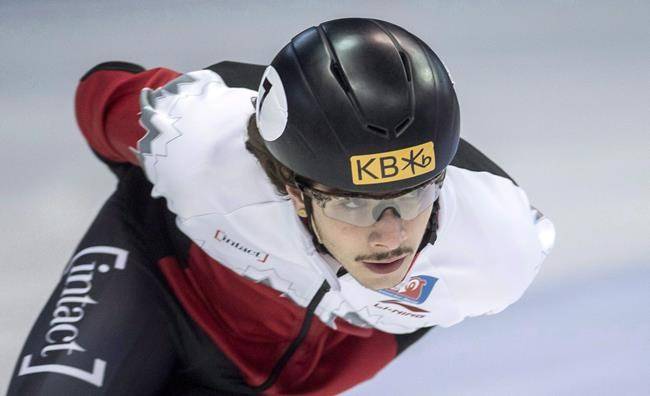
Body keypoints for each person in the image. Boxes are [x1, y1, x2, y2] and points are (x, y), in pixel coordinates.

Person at [8, 18, 554, 395]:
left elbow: (419, 311)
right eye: (354, 206)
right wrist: (154, 181)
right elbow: (99, 97)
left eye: (412, 197)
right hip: (155, 279)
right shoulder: (196, 140)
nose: (390, 237)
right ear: (292, 188)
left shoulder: (493, 250)